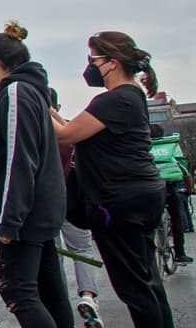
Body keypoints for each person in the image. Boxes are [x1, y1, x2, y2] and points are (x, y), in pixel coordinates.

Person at [53, 30, 173, 328]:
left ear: (112, 63)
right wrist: (49, 109)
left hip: (119, 200)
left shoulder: (114, 100)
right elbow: (74, 126)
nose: (90, 66)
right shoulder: (129, 96)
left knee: (135, 288)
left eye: (93, 59)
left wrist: (29, 101)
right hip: (139, 195)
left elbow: (67, 135)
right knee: (147, 280)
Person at [0, 22, 73, 328]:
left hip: (27, 215)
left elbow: (20, 160)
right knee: (49, 291)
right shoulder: (33, 91)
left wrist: (9, 220)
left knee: (18, 291)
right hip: (41, 210)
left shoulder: (17, 92)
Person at [51, 88, 106, 325]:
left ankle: (59, 301)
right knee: (81, 249)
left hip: (46, 203)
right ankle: (87, 296)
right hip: (72, 199)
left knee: (53, 257)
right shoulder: (70, 130)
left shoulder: (29, 132)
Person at [150, 123, 193, 265]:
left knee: (146, 221)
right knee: (176, 218)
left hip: (148, 189)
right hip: (169, 189)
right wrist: (189, 189)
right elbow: (185, 172)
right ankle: (180, 253)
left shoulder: (141, 147)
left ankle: (148, 254)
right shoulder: (170, 146)